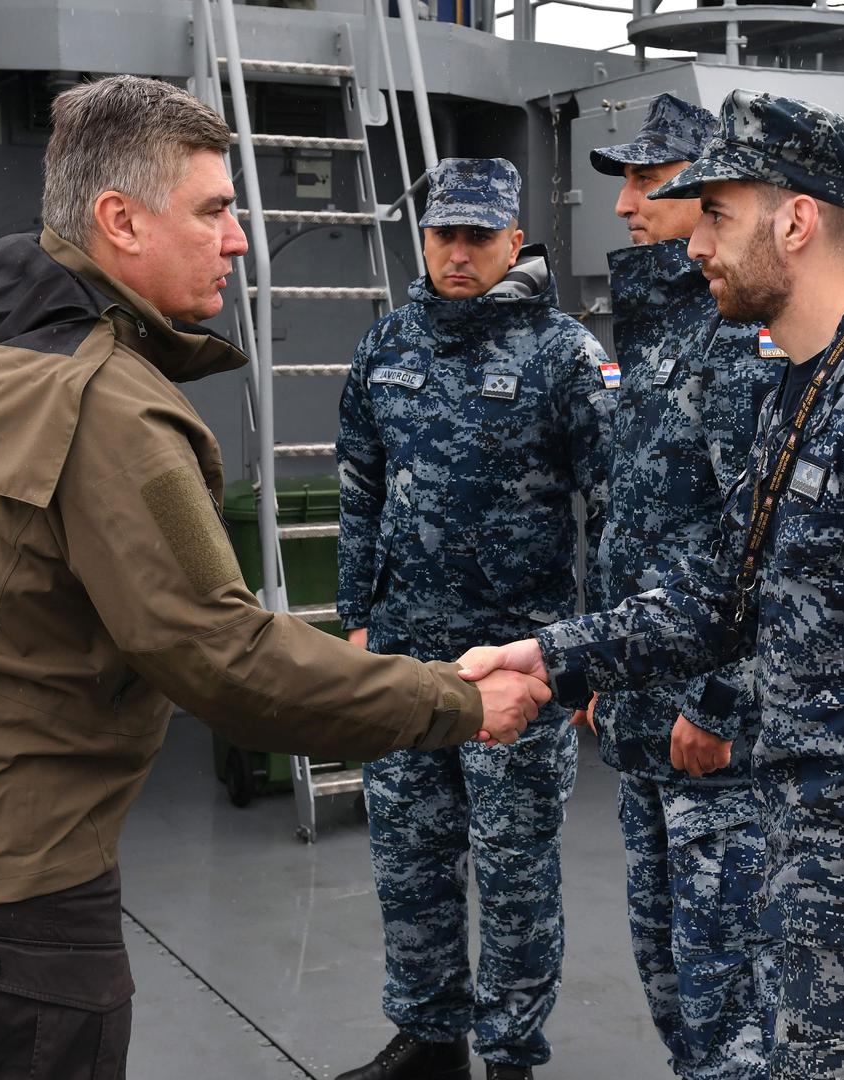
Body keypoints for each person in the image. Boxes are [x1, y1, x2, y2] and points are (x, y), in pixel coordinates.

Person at [0, 76, 549, 1080]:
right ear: (120, 222)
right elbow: (224, 658)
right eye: (215, 211)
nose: (238, 240)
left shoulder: (12, 329)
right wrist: (454, 701)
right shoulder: (102, 403)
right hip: (10, 860)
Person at [458, 90, 844, 1078]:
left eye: (718, 216)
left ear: (797, 221)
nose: (695, 247)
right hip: (782, 870)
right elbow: (713, 602)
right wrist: (551, 656)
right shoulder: (802, 395)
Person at [334, 157, 615, 1080]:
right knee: (409, 861)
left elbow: (609, 508)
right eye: (443, 234)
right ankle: (428, 1038)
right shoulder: (387, 345)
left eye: (477, 237)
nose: (458, 253)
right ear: (424, 238)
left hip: (518, 666)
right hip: (405, 660)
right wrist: (357, 619)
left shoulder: (564, 353)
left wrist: (590, 658)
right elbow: (360, 487)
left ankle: (508, 1058)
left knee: (515, 872)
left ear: (513, 240)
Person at [588, 92, 781, 1079]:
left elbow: (762, 540)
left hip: (709, 738)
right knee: (668, 974)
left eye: (643, 181)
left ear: (706, 197)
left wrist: (716, 704)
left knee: (729, 994)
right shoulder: (654, 334)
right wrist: (602, 671)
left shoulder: (734, 338)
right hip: (645, 718)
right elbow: (629, 523)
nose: (625, 205)